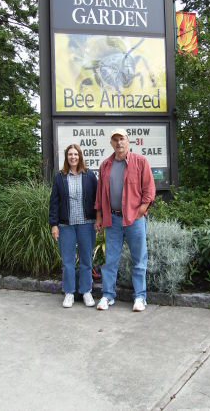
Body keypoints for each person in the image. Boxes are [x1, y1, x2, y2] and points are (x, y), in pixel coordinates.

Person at [94, 129, 156, 312]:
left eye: (122, 139)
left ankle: (140, 297)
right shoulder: (105, 165)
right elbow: (99, 195)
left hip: (134, 219)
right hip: (112, 219)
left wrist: (141, 211)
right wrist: (99, 217)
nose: (119, 143)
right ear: (111, 143)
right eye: (115, 140)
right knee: (110, 260)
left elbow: (149, 190)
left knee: (139, 259)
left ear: (128, 141)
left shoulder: (140, 162)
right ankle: (107, 296)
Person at [49, 144, 97, 308]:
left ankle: (86, 291)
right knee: (68, 261)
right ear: (66, 157)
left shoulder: (89, 175)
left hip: (87, 224)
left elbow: (97, 200)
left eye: (76, 154)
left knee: (86, 259)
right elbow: (54, 203)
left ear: (80, 156)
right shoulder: (60, 177)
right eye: (70, 154)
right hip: (65, 225)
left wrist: (98, 219)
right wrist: (54, 225)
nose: (73, 157)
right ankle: (69, 292)